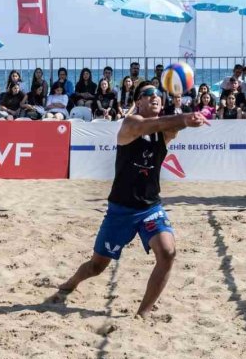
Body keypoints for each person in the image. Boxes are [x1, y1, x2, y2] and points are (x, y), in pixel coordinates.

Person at [52, 82, 206, 318]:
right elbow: (159, 123)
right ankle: (71, 282)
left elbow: (169, 125)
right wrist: (185, 117)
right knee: (96, 267)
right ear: (138, 101)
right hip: (120, 211)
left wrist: (187, 117)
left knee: (168, 253)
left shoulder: (165, 131)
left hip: (150, 208)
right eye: (148, 94)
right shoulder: (131, 123)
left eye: (158, 95)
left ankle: (143, 313)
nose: (155, 97)